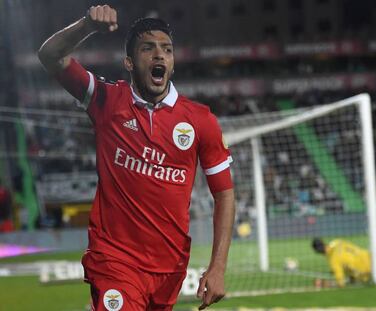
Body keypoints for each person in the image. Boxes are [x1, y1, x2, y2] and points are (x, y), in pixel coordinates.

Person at [38, 5, 235, 311]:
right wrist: (87, 25)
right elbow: (50, 56)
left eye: (166, 50)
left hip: (169, 269)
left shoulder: (200, 120)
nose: (159, 55)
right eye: (148, 49)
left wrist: (218, 266)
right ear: (129, 62)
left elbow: (224, 194)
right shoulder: (106, 99)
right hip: (114, 259)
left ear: (172, 62)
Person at [312, 237, 376, 287]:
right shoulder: (337, 242)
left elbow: (341, 283)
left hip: (374, 268)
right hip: (375, 257)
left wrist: (324, 284)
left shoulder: (333, 261)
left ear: (316, 251)